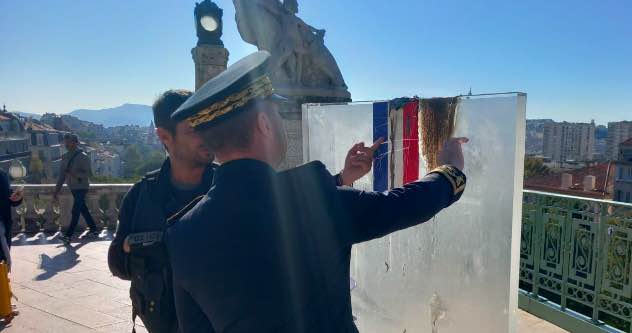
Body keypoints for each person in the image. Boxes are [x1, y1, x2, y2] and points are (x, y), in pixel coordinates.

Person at [166, 51, 468, 333]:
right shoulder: (322, 206)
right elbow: (403, 205)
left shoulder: (183, 232)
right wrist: (450, 171)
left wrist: (342, 179)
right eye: (277, 114)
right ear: (264, 124)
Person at [108, 89, 377, 333]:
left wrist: (342, 178)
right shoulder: (142, 196)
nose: (206, 137)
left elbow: (282, 202)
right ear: (164, 136)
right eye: (194, 129)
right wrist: (153, 245)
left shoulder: (230, 181)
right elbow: (117, 263)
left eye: (208, 126)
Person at [54, 133, 98, 244]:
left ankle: (68, 236)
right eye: (66, 142)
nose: (67, 144)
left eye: (69, 142)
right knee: (83, 209)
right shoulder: (64, 157)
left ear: (75, 142)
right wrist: (56, 191)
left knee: (75, 210)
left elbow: (88, 174)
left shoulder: (83, 156)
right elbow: (61, 176)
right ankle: (94, 230)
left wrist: (74, 174)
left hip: (82, 187)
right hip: (73, 188)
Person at [0, 168, 23, 268]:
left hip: (3, 222)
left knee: (3, 259)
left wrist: (16, 198)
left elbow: (7, 196)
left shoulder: (2, 174)